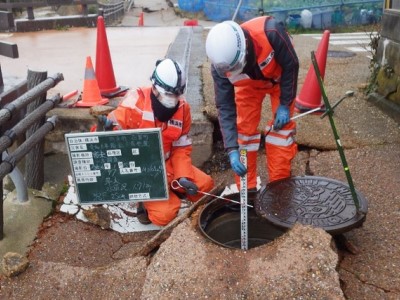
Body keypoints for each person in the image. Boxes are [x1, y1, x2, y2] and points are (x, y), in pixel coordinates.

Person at [98, 58, 214, 226]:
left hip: (168, 166)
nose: (173, 100)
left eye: (177, 94)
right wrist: (104, 132)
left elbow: (181, 148)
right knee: (164, 216)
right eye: (168, 94)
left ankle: (173, 188)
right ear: (154, 87)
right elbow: (107, 141)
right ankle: (144, 202)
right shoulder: (133, 105)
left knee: (205, 186)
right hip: (142, 170)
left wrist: (183, 177)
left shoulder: (183, 109)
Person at [205, 17, 299, 190]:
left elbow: (291, 66)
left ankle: (279, 187)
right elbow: (225, 106)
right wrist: (232, 149)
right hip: (249, 86)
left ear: (245, 48)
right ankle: (246, 189)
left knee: (281, 132)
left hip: (280, 81)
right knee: (244, 133)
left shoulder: (272, 32)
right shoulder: (221, 66)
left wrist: (285, 103)